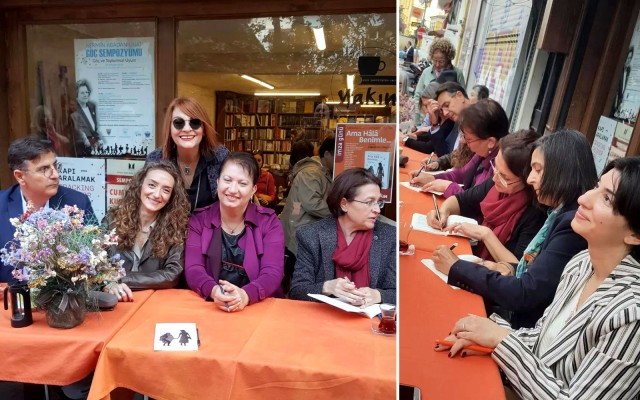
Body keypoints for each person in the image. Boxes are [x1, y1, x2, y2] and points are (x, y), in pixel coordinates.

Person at [441, 157, 640, 400]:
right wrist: (483, 333)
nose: (584, 198)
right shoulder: (581, 264)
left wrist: (502, 342)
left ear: (635, 234)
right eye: (596, 186)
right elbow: (542, 339)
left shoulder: (631, 313)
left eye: (607, 198)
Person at [432, 129, 598, 328]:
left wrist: (458, 268)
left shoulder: (570, 223)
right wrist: (498, 266)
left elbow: (526, 292)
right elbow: (528, 272)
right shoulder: (557, 214)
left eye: (537, 170)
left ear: (562, 171)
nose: (531, 178)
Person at [185, 152, 284, 312]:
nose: (232, 189)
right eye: (227, 180)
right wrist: (214, 291)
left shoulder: (269, 222)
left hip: (258, 307)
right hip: (212, 306)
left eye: (242, 183)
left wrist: (245, 295)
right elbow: (193, 268)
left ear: (253, 190)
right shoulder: (199, 220)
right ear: (217, 182)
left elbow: (272, 271)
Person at [427, 129, 545, 263]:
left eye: (504, 177)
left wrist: (486, 235)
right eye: (495, 168)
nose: (495, 178)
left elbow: (518, 268)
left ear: (527, 179)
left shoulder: (535, 213)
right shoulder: (496, 184)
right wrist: (442, 211)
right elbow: (462, 200)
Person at [289, 168, 396, 305]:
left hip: (371, 322)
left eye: (378, 202)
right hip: (324, 320)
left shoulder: (389, 236)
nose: (377, 209)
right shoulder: (311, 236)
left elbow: (398, 292)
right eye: (369, 202)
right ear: (344, 204)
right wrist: (327, 287)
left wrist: (378, 295)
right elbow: (297, 291)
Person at [0, 137, 94, 282]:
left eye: (55, 166)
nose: (55, 175)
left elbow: (97, 257)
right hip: (12, 300)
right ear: (20, 176)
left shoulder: (77, 203)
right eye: (44, 169)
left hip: (64, 298)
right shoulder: (2, 205)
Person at [103, 161, 190, 301]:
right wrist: (107, 283)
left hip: (155, 303)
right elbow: (96, 264)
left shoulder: (177, 228)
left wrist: (120, 279)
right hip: (117, 301)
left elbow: (172, 275)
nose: (157, 194)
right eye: (152, 185)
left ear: (171, 198)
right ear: (140, 185)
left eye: (166, 190)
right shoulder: (112, 219)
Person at [409, 98, 509, 198]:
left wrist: (448, 187)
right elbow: (461, 174)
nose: (463, 141)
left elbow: (479, 202)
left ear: (490, 142)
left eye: (468, 139)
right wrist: (431, 178)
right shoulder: (483, 153)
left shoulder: (501, 166)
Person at [147, 97, 230, 212]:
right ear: (169, 129)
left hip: (209, 229)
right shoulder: (155, 159)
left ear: (204, 129)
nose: (187, 129)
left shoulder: (221, 157)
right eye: (178, 123)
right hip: (167, 229)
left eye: (195, 123)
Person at [280, 135, 335, 294]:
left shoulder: (320, 172)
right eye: (337, 155)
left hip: (304, 230)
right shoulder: (311, 173)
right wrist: (341, 212)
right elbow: (312, 204)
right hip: (300, 231)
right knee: (298, 276)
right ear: (326, 154)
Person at [413, 38, 466, 125]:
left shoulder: (457, 73)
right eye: (434, 61)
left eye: (441, 62)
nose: (437, 65)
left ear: (449, 59)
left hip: (449, 119)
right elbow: (418, 95)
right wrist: (418, 118)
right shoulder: (426, 72)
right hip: (429, 116)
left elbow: (463, 97)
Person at [70, 79, 102, 157]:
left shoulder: (92, 106)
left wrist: (99, 140)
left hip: (94, 148)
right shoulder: (74, 111)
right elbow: (79, 132)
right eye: (82, 93)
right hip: (82, 151)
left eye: (87, 92)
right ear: (76, 95)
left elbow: (94, 129)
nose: (85, 95)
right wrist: (91, 142)